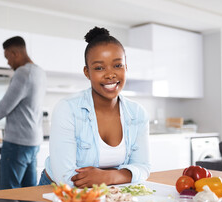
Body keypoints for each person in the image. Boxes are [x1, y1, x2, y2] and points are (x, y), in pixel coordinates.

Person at [39, 27, 150, 188]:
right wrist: (121, 174)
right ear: (87, 72)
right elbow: (65, 176)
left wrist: (108, 176)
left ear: (126, 67)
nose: (110, 74)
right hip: (57, 189)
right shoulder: (68, 109)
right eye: (99, 68)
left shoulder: (138, 113)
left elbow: (143, 167)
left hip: (109, 189)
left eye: (117, 65)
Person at [0, 36, 46, 189]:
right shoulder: (40, 73)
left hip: (18, 142)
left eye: (7, 57)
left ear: (15, 53)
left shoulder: (23, 73)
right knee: (29, 191)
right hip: (33, 142)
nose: (8, 63)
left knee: (8, 192)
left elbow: (6, 104)